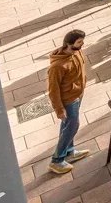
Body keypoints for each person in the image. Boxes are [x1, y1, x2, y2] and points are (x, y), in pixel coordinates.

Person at [46, 29, 91, 175]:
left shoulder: (77, 52)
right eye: (79, 42)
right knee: (72, 125)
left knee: (67, 126)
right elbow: (53, 90)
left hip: (77, 94)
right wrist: (59, 109)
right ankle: (56, 160)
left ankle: (69, 151)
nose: (82, 44)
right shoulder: (57, 67)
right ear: (69, 44)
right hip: (68, 99)